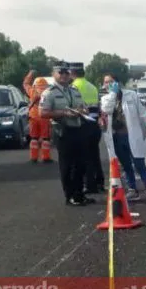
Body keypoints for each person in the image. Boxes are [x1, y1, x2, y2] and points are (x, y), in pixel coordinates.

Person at [40, 62, 93, 206]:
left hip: (78, 128)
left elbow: (83, 106)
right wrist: (63, 112)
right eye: (60, 72)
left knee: (81, 164)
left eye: (66, 73)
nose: (64, 75)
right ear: (54, 74)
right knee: (67, 165)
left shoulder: (74, 90)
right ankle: (70, 195)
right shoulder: (49, 92)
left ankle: (79, 194)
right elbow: (43, 112)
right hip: (62, 131)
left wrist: (83, 110)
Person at [102, 74, 146, 203]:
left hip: (132, 135)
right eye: (106, 83)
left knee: (139, 164)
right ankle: (133, 190)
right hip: (116, 138)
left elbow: (143, 112)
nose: (108, 85)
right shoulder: (106, 99)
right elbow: (107, 109)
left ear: (117, 83)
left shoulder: (131, 95)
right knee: (126, 165)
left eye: (111, 82)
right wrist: (112, 94)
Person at [70, 62, 105, 194]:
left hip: (82, 124)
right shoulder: (92, 86)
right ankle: (99, 182)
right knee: (94, 155)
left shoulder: (74, 87)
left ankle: (90, 185)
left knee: (84, 156)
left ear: (73, 73)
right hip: (94, 124)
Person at [22, 70, 53, 163]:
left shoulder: (32, 91)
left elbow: (25, 83)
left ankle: (34, 157)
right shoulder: (49, 92)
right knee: (46, 139)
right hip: (45, 117)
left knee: (34, 138)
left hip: (33, 117)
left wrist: (30, 74)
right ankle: (46, 157)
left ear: (35, 84)